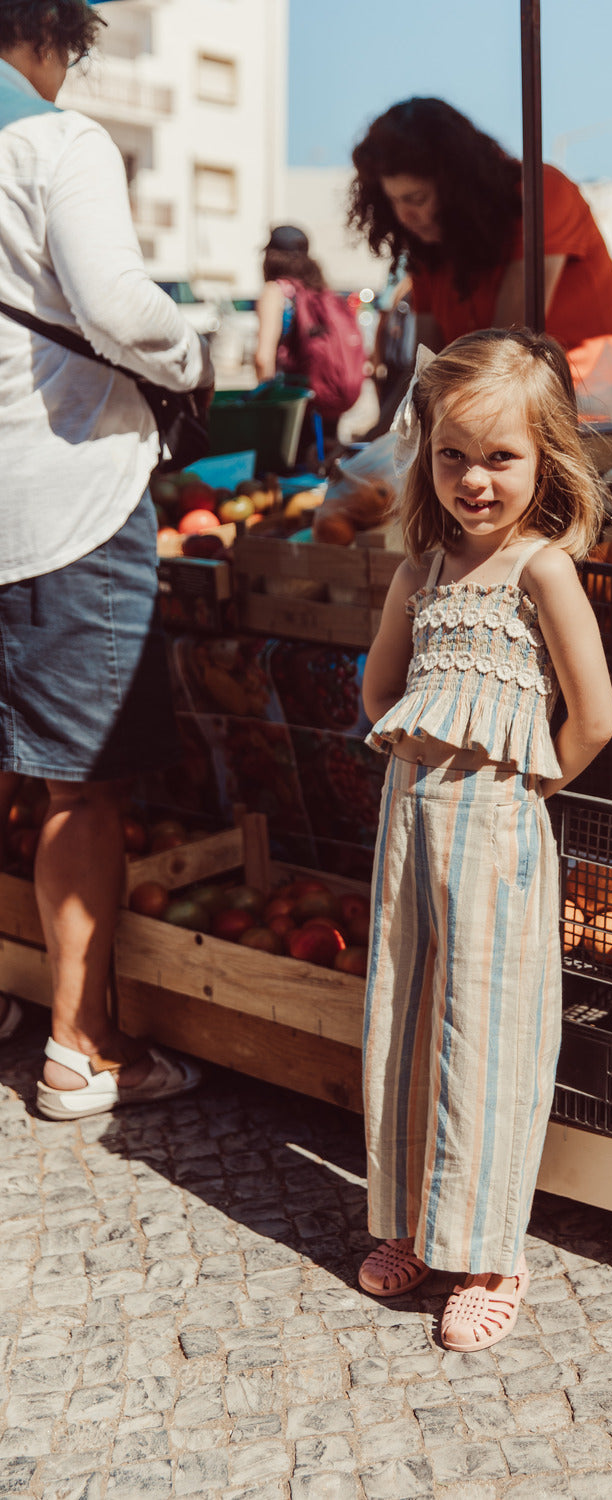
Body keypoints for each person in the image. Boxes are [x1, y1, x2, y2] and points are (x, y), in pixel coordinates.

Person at [357, 328, 612, 1350]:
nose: (474, 480)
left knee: (490, 1038)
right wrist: (416, 755)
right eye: (453, 456)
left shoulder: (542, 570)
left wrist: (527, 786)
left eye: (500, 457)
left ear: (545, 458)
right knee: (408, 1021)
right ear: (425, 455)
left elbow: (592, 716)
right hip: (409, 827)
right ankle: (416, 1223)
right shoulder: (418, 567)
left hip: (497, 832)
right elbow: (377, 687)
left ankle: (494, 1249)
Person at [0, 0, 212, 1117]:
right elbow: (122, 306)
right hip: (62, 505)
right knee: (78, 781)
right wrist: (193, 352)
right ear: (48, 33)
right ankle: (83, 1048)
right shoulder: (52, 141)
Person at [349, 98, 612, 383]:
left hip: (589, 407)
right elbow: (426, 369)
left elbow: (506, 346)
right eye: (392, 201)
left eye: (416, 199)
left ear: (457, 187)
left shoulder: (540, 194)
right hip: (496, 407)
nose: (404, 216)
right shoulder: (430, 250)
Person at [254, 224, 365, 468]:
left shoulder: (276, 291)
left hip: (293, 405)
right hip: (327, 401)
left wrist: (265, 405)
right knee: (324, 473)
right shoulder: (321, 292)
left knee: (289, 479)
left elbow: (263, 357)